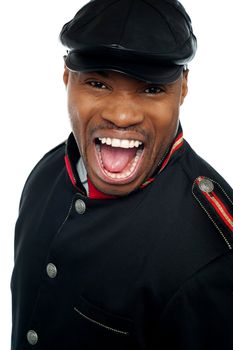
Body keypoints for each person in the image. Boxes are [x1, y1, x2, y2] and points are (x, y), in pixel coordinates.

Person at [11, 0, 233, 349]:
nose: (122, 115)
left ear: (184, 87)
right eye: (98, 84)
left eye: (151, 88)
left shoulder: (213, 256)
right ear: (67, 77)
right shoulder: (45, 174)